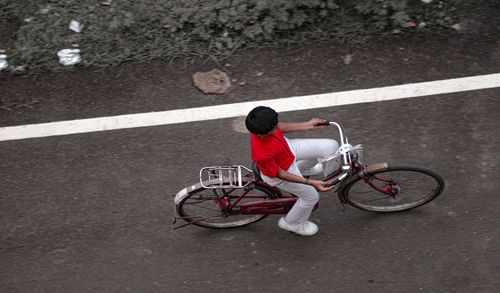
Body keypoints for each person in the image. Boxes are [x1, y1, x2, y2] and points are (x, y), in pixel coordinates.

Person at [245, 106, 339, 236]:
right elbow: (280, 174)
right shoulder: (262, 154)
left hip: (286, 150)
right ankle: (291, 223)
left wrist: (307, 125)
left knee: (331, 146)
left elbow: (279, 127)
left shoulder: (263, 127)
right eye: (274, 128)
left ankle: (305, 169)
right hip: (283, 172)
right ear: (262, 134)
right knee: (311, 197)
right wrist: (310, 182)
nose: (277, 127)